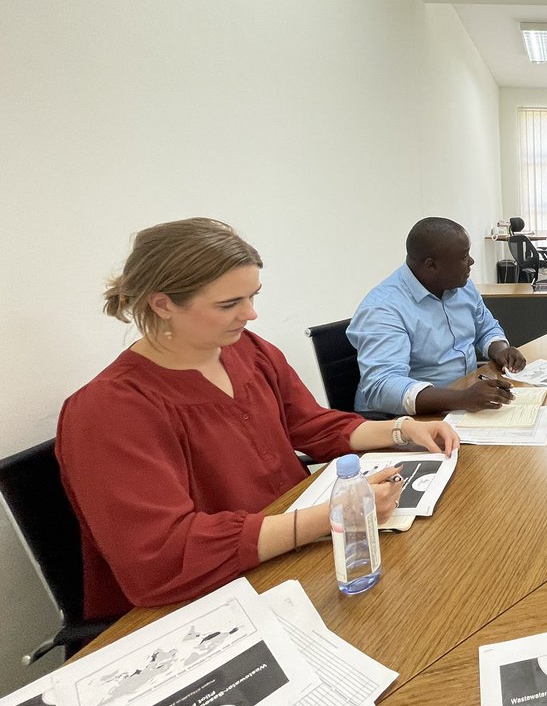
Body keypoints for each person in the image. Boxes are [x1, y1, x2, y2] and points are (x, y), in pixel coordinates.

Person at [57, 218, 459, 620]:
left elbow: (311, 424)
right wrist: (336, 515)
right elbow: (164, 558)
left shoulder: (247, 350)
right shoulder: (108, 411)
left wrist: (401, 428)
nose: (250, 314)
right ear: (162, 304)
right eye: (229, 304)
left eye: (253, 296)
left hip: (290, 554)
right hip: (206, 599)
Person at [349, 217, 527, 415]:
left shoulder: (462, 286)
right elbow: (382, 387)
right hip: (401, 420)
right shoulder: (384, 309)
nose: (471, 261)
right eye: (463, 257)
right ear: (431, 265)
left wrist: (500, 350)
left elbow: (486, 328)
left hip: (459, 400)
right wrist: (462, 399)